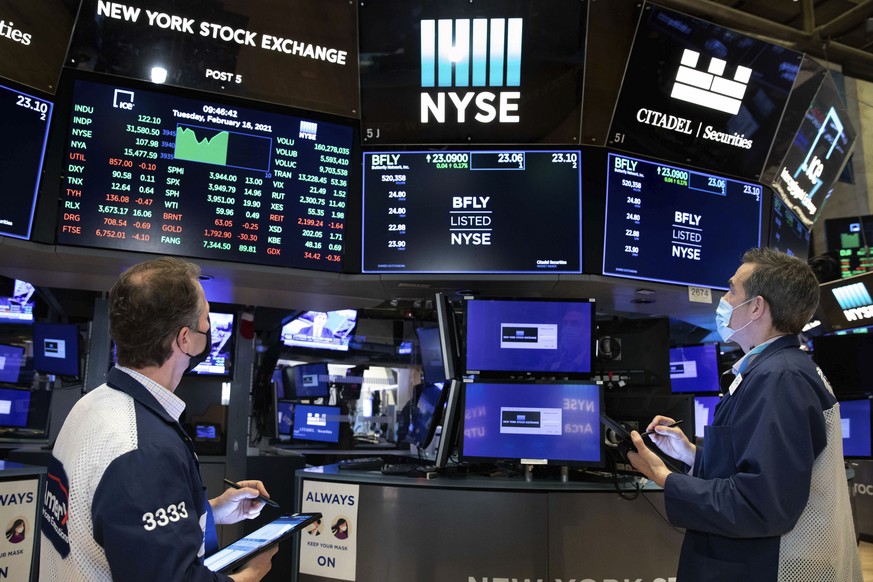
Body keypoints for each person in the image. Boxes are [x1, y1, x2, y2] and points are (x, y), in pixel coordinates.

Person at [627, 248, 861, 581]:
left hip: (764, 566)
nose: (723, 298)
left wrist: (664, 476)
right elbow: (758, 465)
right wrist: (690, 454)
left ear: (756, 307)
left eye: (731, 289)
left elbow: (759, 505)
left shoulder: (780, 379)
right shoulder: (771, 370)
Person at [39, 257, 277, 582]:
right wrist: (250, 574)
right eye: (206, 322)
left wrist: (210, 510)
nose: (209, 332)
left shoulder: (92, 404)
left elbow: (121, 521)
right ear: (185, 339)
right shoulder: (142, 448)